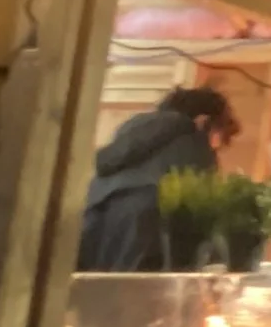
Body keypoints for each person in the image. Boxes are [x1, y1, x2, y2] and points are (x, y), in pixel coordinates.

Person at [77, 80, 237, 270]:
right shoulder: (193, 140)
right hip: (147, 228)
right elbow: (202, 211)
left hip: (91, 218)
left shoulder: (131, 131)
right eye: (219, 138)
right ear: (203, 121)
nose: (216, 148)